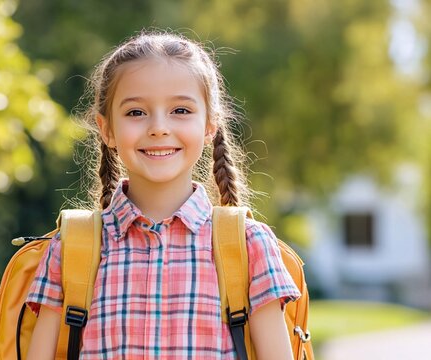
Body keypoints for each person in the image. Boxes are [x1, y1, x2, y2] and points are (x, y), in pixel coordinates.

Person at [24, 31, 301, 359]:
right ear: (106, 128)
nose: (158, 127)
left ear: (210, 124)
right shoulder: (73, 249)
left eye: (181, 111)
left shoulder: (248, 246)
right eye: (136, 113)